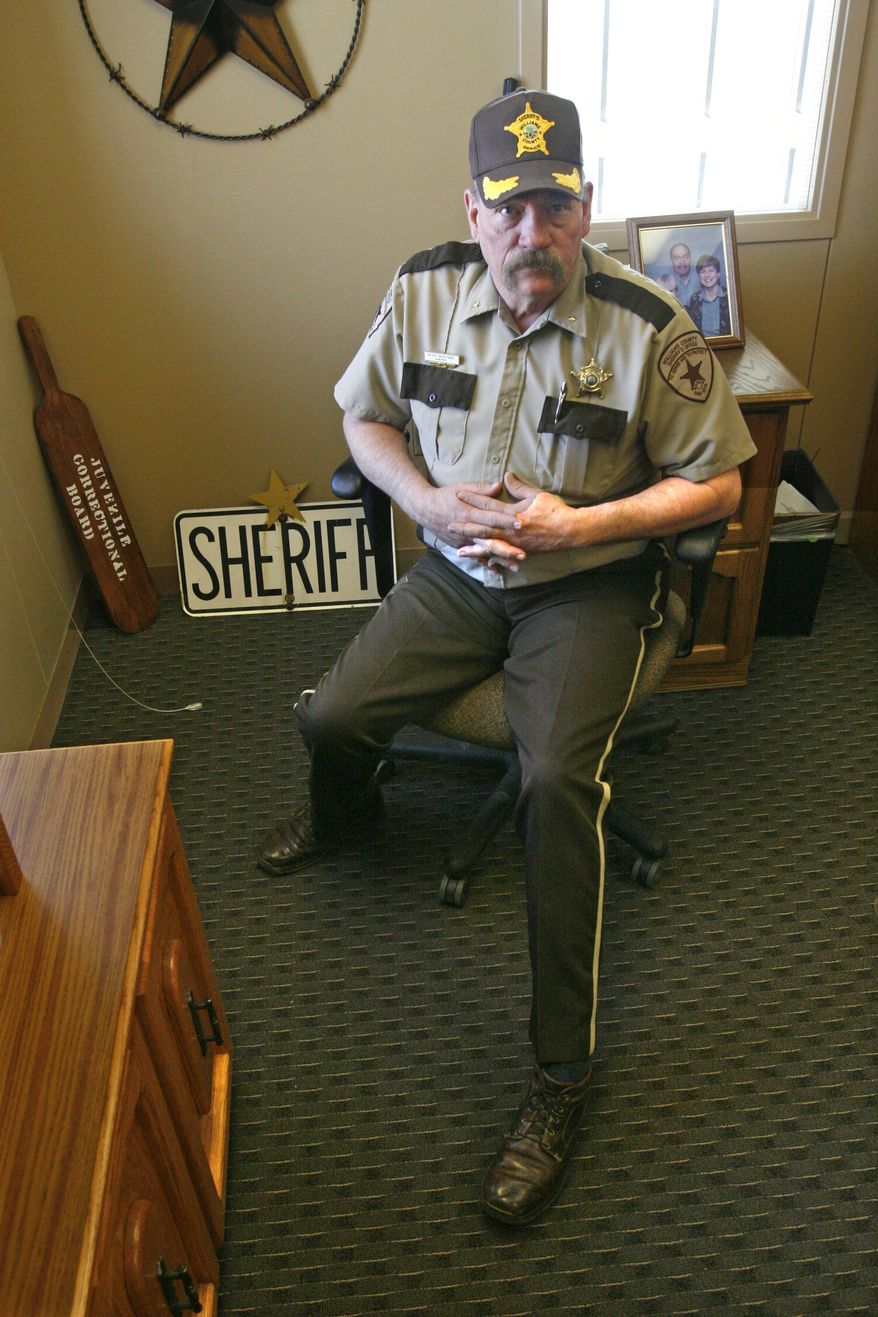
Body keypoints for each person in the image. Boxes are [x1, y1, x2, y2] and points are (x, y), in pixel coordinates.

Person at [259, 88, 756, 1226]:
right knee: (328, 719)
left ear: (586, 208)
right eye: (507, 206)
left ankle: (559, 1076)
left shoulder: (646, 324)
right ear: (471, 211)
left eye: (553, 204)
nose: (529, 232)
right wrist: (428, 500)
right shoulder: (421, 288)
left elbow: (717, 482)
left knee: (549, 782)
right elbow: (362, 422)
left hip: (582, 588)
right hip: (456, 571)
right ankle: (349, 816)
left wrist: (581, 527)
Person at [688, 253, 732, 337]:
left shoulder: (729, 296)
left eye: (711, 271)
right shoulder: (694, 299)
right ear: (699, 276)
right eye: (703, 271)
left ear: (718, 274)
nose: (707, 275)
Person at [668, 241, 700, 306]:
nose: (682, 262)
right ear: (671, 261)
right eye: (677, 258)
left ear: (690, 258)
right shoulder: (665, 282)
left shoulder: (702, 277)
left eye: (685, 257)